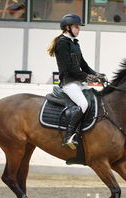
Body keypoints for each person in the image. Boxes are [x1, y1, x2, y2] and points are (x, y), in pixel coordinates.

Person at [47, 14, 105, 150]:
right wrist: (87, 77)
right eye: (76, 27)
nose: (79, 29)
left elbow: (83, 65)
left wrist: (96, 74)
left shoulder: (74, 43)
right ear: (67, 27)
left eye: (79, 27)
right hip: (69, 83)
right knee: (83, 103)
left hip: (78, 82)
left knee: (94, 98)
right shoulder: (62, 43)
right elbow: (69, 69)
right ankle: (69, 135)